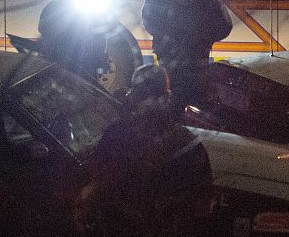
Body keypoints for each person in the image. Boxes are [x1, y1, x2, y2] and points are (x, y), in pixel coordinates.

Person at [76, 64, 212, 236]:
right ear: (167, 97)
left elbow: (97, 185)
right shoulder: (188, 143)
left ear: (132, 96)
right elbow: (202, 205)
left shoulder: (118, 136)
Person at [141, 0, 232, 111]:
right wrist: (204, 38)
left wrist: (168, 37)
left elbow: (148, 22)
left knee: (170, 108)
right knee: (198, 111)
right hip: (197, 62)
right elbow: (225, 26)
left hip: (168, 64)